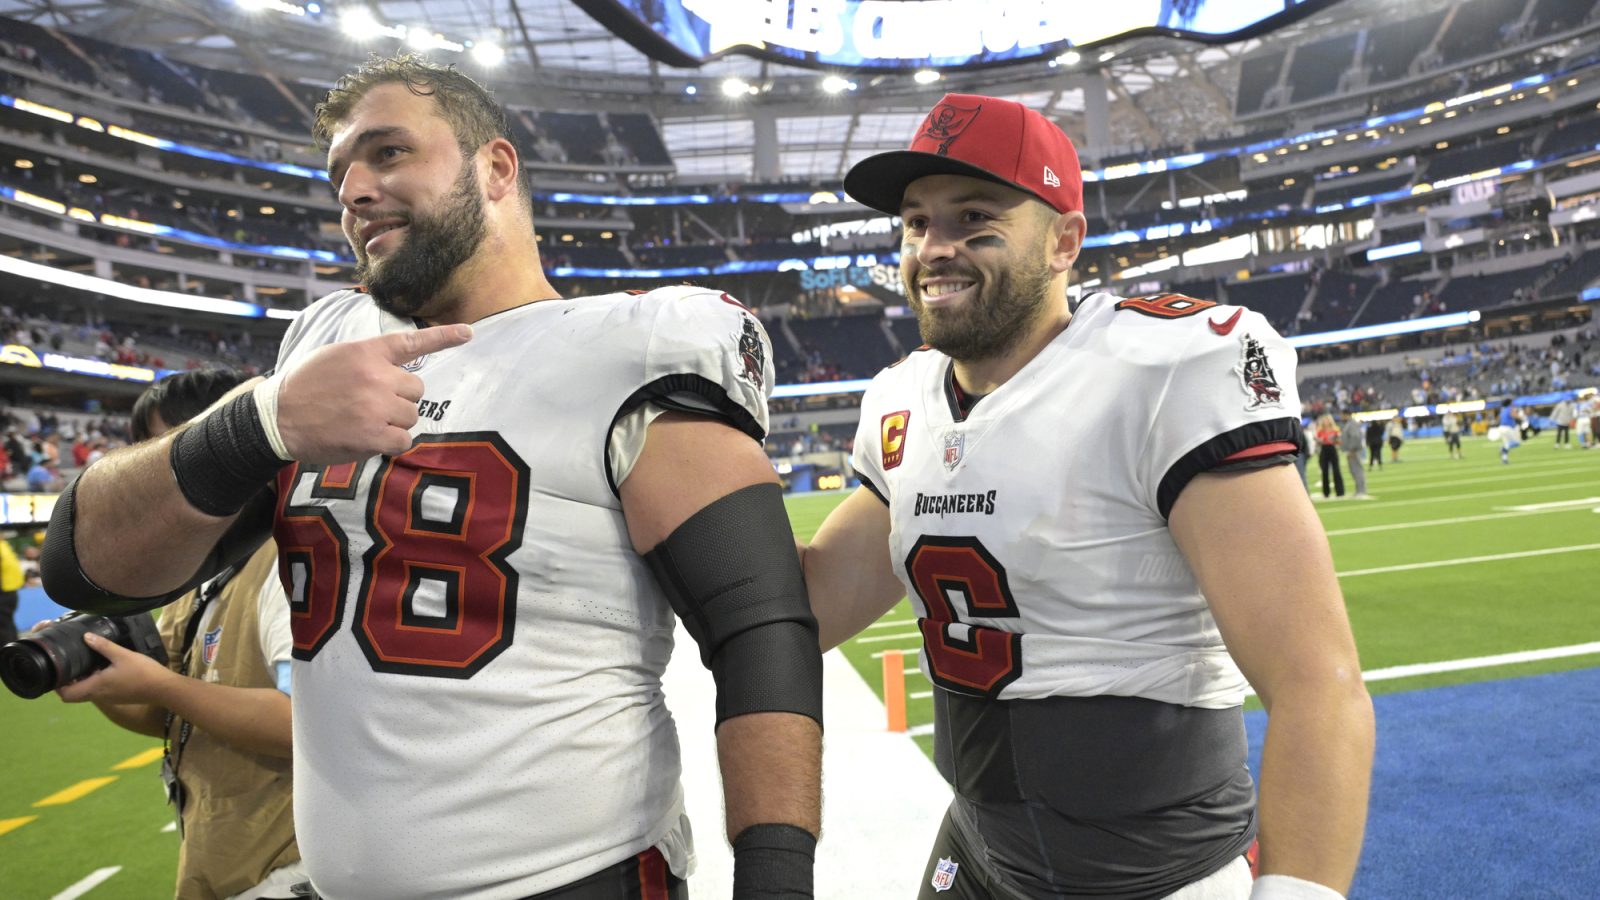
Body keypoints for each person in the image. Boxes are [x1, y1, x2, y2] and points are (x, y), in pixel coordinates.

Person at [40, 54, 821, 900]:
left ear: (496, 168)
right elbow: (85, 569)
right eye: (339, 174)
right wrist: (261, 424)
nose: (353, 191)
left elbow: (760, 634)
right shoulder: (325, 349)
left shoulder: (629, 348)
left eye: (388, 153)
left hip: (575, 880)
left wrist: (776, 879)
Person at [805, 94, 1373, 900]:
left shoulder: (1161, 369)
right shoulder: (902, 399)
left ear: (1064, 241)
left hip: (1153, 872)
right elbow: (812, 602)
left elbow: (1318, 681)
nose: (935, 248)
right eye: (916, 222)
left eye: (975, 217)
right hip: (978, 846)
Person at [46, 368, 302, 900]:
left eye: (163, 447)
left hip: (289, 870)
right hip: (224, 861)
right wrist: (100, 679)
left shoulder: (287, 560)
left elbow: (301, 726)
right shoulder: (193, 574)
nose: (142, 470)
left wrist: (160, 684)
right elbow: (175, 717)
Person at [1314, 413, 1344, 500]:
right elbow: (1317, 443)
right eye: (1324, 421)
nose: (1326, 422)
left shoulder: (1335, 430)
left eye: (1327, 421)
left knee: (1336, 470)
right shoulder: (1320, 431)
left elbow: (1339, 441)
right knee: (1324, 471)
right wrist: (1319, 441)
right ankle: (1326, 492)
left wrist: (1336, 440)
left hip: (1332, 449)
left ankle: (1340, 492)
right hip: (1324, 449)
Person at [1339, 413, 1367, 498]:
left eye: (1342, 415)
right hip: (1351, 451)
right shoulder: (1349, 424)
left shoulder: (1352, 424)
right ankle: (1359, 490)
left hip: (1354, 451)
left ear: (1346, 415)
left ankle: (1361, 490)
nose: (1341, 417)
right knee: (1354, 471)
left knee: (1357, 470)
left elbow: (1355, 437)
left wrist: (1352, 449)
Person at [1499, 399, 1521, 464]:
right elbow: (1514, 415)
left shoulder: (1503, 410)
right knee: (1517, 442)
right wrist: (1522, 418)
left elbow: (1499, 418)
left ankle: (1504, 459)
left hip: (1502, 427)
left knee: (1507, 443)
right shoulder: (1511, 409)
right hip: (1508, 428)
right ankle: (1503, 448)